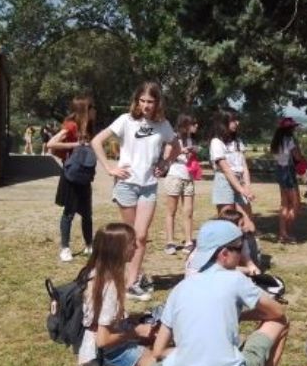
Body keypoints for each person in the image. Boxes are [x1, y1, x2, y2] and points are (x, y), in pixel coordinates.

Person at [150, 220, 289, 366]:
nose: (243, 254)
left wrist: (182, 352)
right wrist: (242, 314)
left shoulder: (179, 289)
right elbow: (277, 312)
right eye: (240, 249)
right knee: (282, 324)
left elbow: (158, 350)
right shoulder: (235, 279)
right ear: (224, 254)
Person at [91, 82, 176, 301]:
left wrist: (166, 163)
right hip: (127, 184)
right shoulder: (125, 121)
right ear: (137, 100)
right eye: (143, 101)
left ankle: (131, 282)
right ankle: (115, 275)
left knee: (142, 235)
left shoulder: (163, 124)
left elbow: (175, 146)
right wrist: (110, 168)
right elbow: (96, 141)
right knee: (128, 237)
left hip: (149, 186)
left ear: (157, 102)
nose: (146, 106)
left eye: (151, 101)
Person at [76, 222, 164, 366]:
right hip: (111, 350)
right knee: (160, 363)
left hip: (99, 341)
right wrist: (135, 332)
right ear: (119, 249)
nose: (136, 246)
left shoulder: (94, 272)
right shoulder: (110, 287)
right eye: (132, 243)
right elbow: (103, 339)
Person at [47, 96, 96, 263]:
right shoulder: (71, 126)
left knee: (87, 214)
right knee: (69, 213)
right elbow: (51, 144)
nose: (94, 111)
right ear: (85, 110)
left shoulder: (88, 128)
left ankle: (89, 245)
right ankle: (65, 248)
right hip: (71, 176)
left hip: (85, 176)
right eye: (92, 108)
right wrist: (76, 145)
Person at [209, 108, 255, 233]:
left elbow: (244, 166)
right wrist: (242, 190)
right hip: (224, 181)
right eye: (233, 120)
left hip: (239, 181)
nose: (237, 123)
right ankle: (225, 249)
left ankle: (246, 249)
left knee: (248, 224)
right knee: (227, 224)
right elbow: (226, 170)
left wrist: (247, 186)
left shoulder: (238, 142)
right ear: (224, 122)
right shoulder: (216, 142)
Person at [184, 209, 261, 277]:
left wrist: (255, 272)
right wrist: (247, 270)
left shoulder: (241, 240)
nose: (245, 227)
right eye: (241, 224)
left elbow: (249, 262)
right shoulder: (213, 244)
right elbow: (215, 269)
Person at [163, 114, 199, 255]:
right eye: (194, 124)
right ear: (185, 125)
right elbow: (166, 156)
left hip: (188, 176)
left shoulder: (191, 139)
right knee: (171, 211)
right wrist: (180, 151)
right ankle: (170, 242)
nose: (196, 126)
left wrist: (193, 152)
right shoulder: (174, 137)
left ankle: (189, 241)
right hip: (175, 176)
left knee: (188, 211)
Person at [270, 117, 305, 243]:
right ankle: (287, 233)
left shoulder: (276, 141)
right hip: (288, 171)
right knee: (295, 203)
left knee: (284, 203)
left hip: (279, 169)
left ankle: (282, 232)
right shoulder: (289, 140)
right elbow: (298, 156)